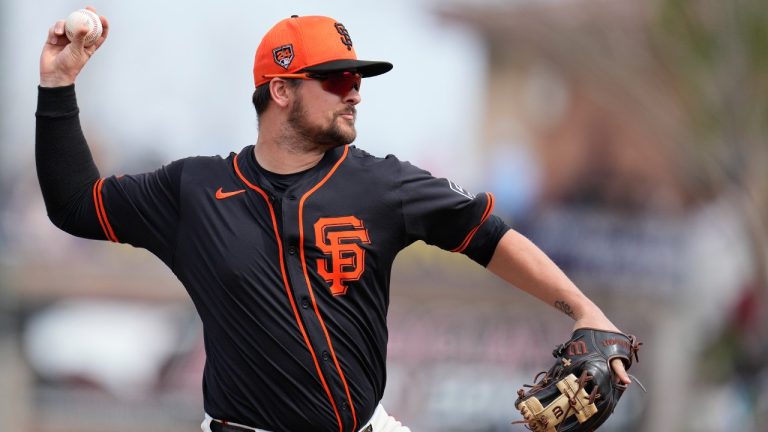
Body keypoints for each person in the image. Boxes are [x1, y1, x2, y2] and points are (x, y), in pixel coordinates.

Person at [36, 9, 632, 432]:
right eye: (339, 78)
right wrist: (58, 84)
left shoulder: (382, 184)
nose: (356, 93)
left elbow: (488, 235)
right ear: (282, 89)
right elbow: (76, 205)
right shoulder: (194, 189)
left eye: (358, 80)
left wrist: (585, 311)